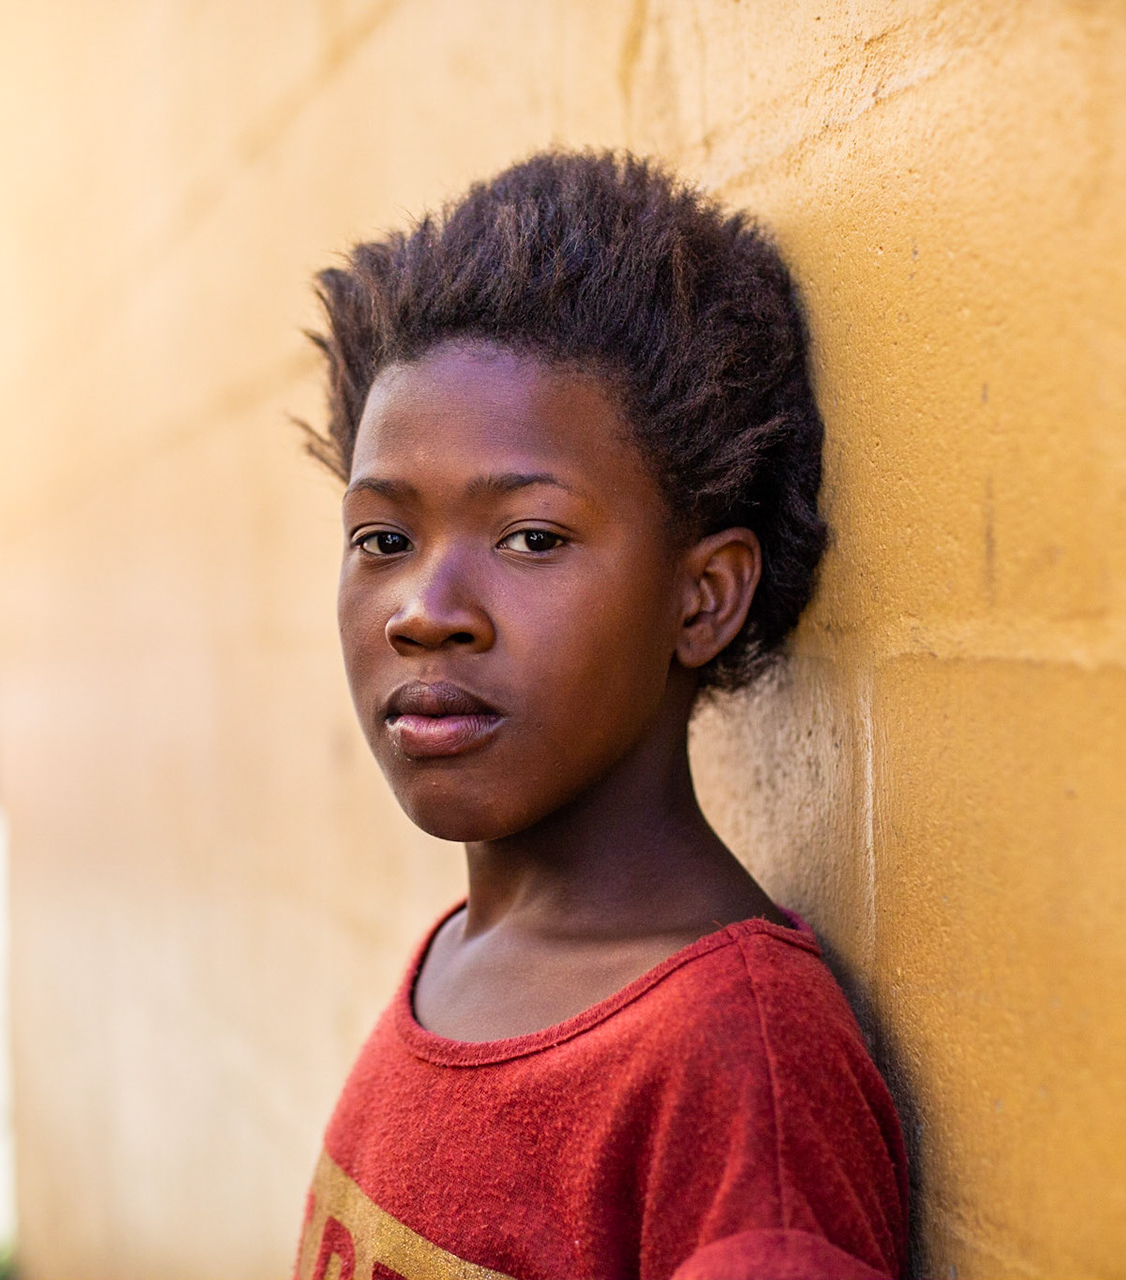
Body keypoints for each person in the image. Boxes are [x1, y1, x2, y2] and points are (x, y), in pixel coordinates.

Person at [292, 150, 907, 1280]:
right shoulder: (461, 963)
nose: (426, 613)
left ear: (702, 593)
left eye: (532, 537)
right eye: (384, 539)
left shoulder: (732, 1075)